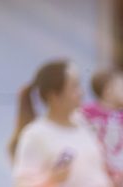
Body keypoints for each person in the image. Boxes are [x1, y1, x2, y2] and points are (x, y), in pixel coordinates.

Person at [8, 59, 112, 187]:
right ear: (54, 96)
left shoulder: (83, 122)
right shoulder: (35, 134)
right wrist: (51, 180)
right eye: (74, 87)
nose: (81, 93)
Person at [81, 69, 123, 185]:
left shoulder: (120, 115)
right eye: (121, 88)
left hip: (119, 170)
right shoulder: (87, 112)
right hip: (95, 169)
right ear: (108, 91)